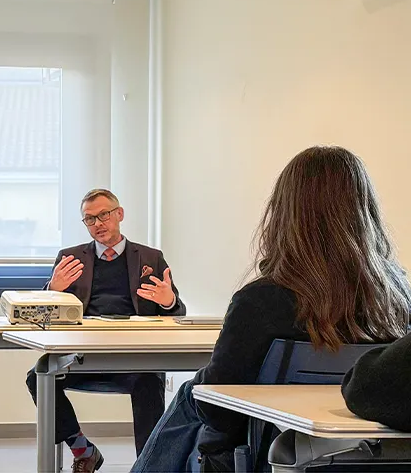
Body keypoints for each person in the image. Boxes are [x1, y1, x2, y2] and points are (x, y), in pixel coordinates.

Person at [132, 145, 411, 472]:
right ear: (366, 214)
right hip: (372, 459)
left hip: (262, 457)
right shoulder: (400, 299)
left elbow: (219, 410)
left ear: (284, 216)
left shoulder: (260, 302)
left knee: (192, 394)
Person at [27, 188, 186, 472]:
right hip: (85, 356)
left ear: (119, 214)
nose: (98, 224)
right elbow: (44, 313)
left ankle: (148, 465)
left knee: (150, 380)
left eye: (104, 215)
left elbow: (177, 311)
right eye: (89, 219)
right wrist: (53, 289)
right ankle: (83, 450)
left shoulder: (150, 257)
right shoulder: (70, 257)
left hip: (133, 358)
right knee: (38, 376)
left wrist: (168, 301)